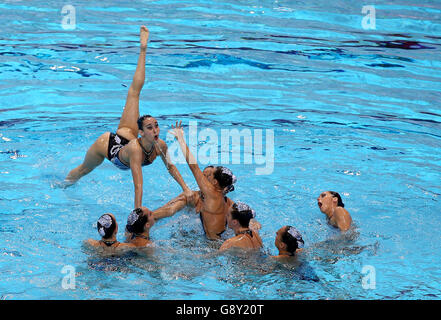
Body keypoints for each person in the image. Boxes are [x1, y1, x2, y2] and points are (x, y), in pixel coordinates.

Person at [65, 26, 191, 209]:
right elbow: (138, 185)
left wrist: (186, 188)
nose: (155, 129)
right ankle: (64, 183)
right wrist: (137, 212)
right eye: (150, 127)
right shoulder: (135, 149)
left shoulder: (160, 145)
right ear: (141, 132)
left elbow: (171, 167)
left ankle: (142, 49)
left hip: (128, 135)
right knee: (84, 170)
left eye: (156, 125)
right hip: (108, 145)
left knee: (134, 92)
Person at [153, 121, 237, 240]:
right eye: (204, 175)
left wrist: (180, 139)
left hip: (213, 245)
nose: (203, 179)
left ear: (215, 183)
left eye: (208, 176)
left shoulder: (212, 194)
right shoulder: (218, 198)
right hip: (216, 240)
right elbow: (170, 208)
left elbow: (193, 166)